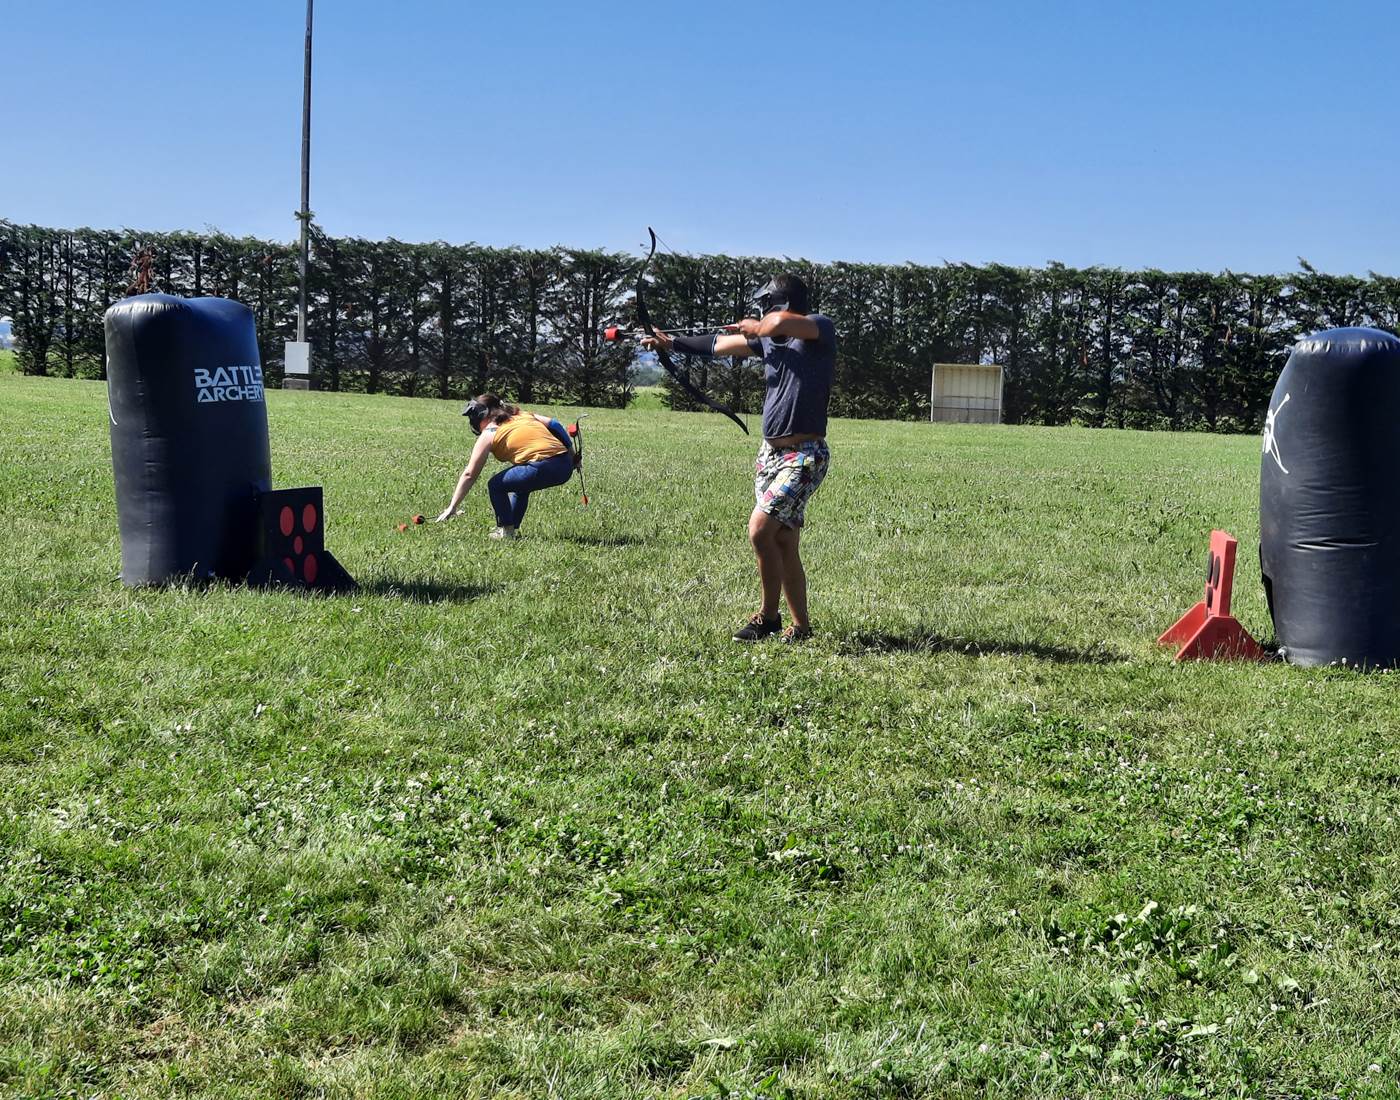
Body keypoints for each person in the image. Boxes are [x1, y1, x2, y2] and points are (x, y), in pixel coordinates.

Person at [643, 274, 835, 643]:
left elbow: (778, 323)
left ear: (778, 303)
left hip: (805, 455)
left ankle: (767, 617)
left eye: (764, 305)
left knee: (760, 530)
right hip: (770, 454)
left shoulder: (818, 329)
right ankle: (802, 627)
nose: (760, 313)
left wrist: (758, 326)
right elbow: (717, 345)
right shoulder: (769, 341)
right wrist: (671, 342)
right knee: (783, 542)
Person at [435, 394, 574, 538]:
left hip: (541, 467)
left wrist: (452, 507)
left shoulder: (490, 432)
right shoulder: (522, 415)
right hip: (565, 465)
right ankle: (511, 529)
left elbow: (470, 474)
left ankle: (506, 532)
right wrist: (572, 455)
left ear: (483, 415)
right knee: (520, 487)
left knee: (496, 485)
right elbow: (555, 424)